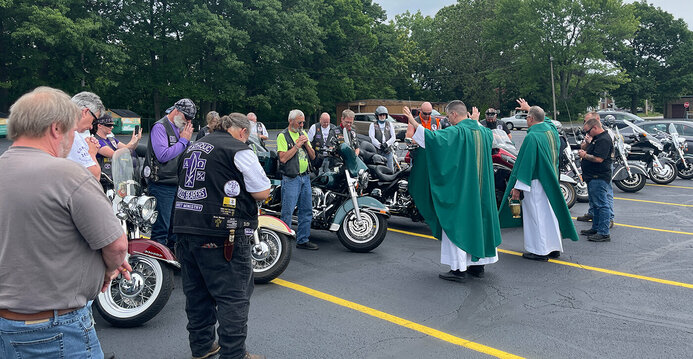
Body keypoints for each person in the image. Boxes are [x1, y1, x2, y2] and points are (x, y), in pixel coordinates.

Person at [0, 87, 130, 358]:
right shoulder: (68, 174)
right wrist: (108, 269)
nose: (75, 139)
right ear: (56, 129)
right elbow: (117, 245)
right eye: (73, 132)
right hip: (54, 327)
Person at [172, 113, 269, 359]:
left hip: (185, 228)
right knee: (233, 297)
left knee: (197, 294)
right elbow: (262, 191)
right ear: (243, 132)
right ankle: (234, 354)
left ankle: (202, 346)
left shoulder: (194, 146)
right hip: (223, 232)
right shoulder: (238, 149)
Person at [405, 100, 502, 282]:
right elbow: (489, 136)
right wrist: (475, 121)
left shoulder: (457, 132)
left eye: (449, 116)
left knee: (458, 222)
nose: (448, 119)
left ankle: (458, 269)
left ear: (455, 114)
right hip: (481, 191)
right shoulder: (483, 132)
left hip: (463, 190)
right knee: (479, 223)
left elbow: (433, 140)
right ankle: (477, 265)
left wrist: (413, 121)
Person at [499, 99, 578, 261]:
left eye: (527, 116)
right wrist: (530, 108)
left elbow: (526, 165)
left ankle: (540, 251)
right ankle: (554, 247)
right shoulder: (551, 131)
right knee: (550, 216)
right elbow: (546, 119)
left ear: (530, 119)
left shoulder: (532, 137)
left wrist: (517, 188)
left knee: (536, 217)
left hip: (534, 183)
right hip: (550, 181)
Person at [143, 98, 196, 248]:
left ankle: (173, 256)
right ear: (177, 111)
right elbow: (163, 155)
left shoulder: (178, 127)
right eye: (186, 117)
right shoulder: (160, 127)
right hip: (162, 183)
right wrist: (183, 141)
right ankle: (157, 262)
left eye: (191, 119)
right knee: (162, 227)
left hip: (176, 182)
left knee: (175, 226)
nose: (188, 122)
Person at [277, 109, 317, 250]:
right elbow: (283, 158)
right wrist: (297, 145)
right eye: (299, 122)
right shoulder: (283, 136)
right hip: (291, 178)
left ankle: (303, 239)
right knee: (287, 211)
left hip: (305, 177)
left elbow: (313, 156)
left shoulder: (303, 134)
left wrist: (306, 144)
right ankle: (283, 244)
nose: (301, 125)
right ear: (291, 121)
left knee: (306, 210)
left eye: (303, 122)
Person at [577, 112, 615, 242]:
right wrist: (587, 145)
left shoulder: (604, 139)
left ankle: (604, 232)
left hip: (598, 176)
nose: (587, 134)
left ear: (595, 128)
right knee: (596, 204)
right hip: (592, 176)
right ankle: (596, 227)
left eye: (588, 131)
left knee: (601, 204)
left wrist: (584, 155)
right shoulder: (597, 138)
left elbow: (599, 159)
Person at [92, 113, 143, 186]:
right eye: (109, 125)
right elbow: (114, 154)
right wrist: (132, 141)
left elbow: (129, 150)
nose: (112, 127)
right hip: (104, 180)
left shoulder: (112, 139)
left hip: (116, 177)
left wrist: (137, 139)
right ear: (99, 126)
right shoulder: (96, 141)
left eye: (113, 125)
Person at [67, 91, 105, 180]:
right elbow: (93, 177)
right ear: (85, 112)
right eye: (94, 121)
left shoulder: (54, 129)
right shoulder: (72, 135)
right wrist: (91, 152)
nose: (91, 126)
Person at [369, 105, 396, 170]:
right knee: (379, 168)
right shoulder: (373, 125)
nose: (382, 116)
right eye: (380, 115)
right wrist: (380, 145)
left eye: (384, 115)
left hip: (388, 150)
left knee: (390, 168)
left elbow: (393, 137)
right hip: (378, 151)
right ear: (377, 116)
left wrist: (386, 144)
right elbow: (372, 137)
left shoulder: (389, 124)